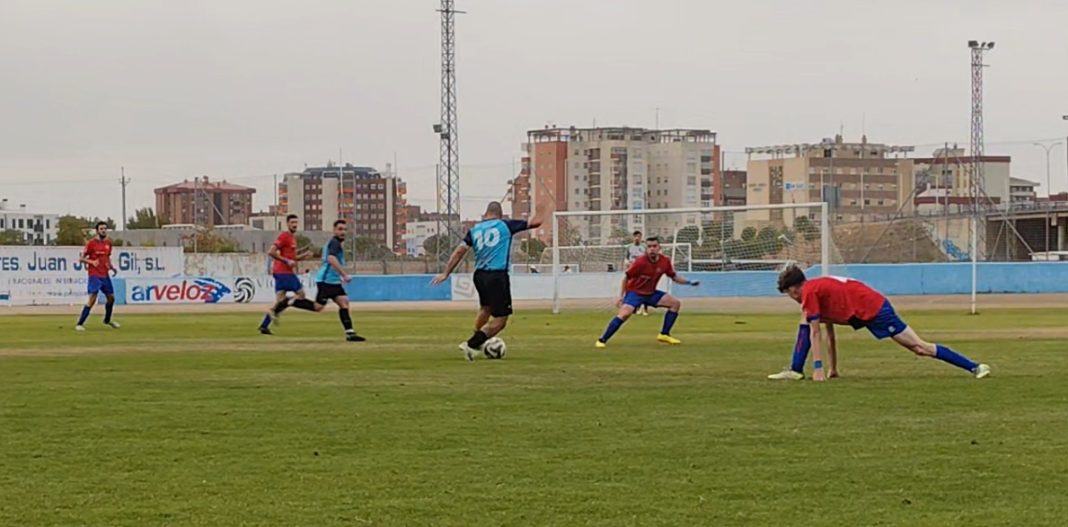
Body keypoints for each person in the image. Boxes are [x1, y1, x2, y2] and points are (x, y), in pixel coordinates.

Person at [769, 265, 991, 381]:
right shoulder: (816, 289)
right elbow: (828, 331)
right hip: (865, 307)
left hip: (874, 309)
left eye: (788, 292)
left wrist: (817, 369)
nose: (791, 297)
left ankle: (974, 366)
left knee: (920, 347)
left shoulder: (808, 291)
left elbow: (815, 334)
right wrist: (832, 369)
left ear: (795, 287)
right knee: (806, 319)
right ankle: (795, 369)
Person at [431, 202, 544, 360]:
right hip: (497, 275)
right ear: (500, 214)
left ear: (486, 214)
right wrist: (541, 209)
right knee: (501, 320)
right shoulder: (505, 225)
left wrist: (445, 273)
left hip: (479, 275)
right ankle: (471, 344)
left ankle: (478, 339)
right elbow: (536, 222)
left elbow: (458, 252)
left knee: (486, 308)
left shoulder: (475, 230)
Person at [268, 219, 365, 342]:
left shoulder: (336, 243)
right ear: (334, 230)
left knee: (344, 302)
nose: (343, 232)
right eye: (340, 229)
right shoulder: (334, 243)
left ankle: (350, 333)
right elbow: (331, 259)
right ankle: (289, 301)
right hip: (326, 281)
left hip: (333, 281)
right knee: (318, 307)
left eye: (345, 230)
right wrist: (344, 275)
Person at [595, 236, 700, 348]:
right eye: (649, 247)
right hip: (635, 293)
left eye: (654, 246)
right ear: (646, 249)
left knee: (675, 303)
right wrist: (621, 297)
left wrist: (688, 282)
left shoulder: (665, 261)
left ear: (659, 247)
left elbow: (674, 277)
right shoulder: (640, 262)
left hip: (650, 293)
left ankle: (664, 334)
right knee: (625, 314)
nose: (652, 249)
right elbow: (626, 277)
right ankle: (602, 340)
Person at [259, 214, 313, 335]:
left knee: (279, 303)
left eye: (296, 222)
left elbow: (292, 258)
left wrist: (304, 256)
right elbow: (271, 252)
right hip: (284, 272)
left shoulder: (293, 239)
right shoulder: (284, 236)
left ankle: (264, 326)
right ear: (287, 223)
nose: (294, 224)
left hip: (280, 272)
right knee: (301, 295)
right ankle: (289, 302)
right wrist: (286, 261)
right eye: (292, 222)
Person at [75, 221, 120, 331]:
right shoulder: (91, 243)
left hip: (105, 274)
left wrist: (111, 267)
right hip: (94, 274)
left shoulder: (108, 243)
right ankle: (80, 323)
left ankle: (107, 320)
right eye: (101, 229)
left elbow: (107, 258)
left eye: (105, 228)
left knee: (111, 298)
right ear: (97, 231)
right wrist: (91, 262)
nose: (104, 230)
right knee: (92, 299)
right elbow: (81, 259)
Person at [626, 230, 649, 315]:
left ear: (641, 238)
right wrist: (627, 263)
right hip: (633, 270)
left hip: (642, 270)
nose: (637, 238)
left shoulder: (644, 247)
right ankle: (635, 308)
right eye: (635, 236)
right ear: (633, 237)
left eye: (639, 236)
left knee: (645, 289)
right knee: (633, 289)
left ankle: (645, 309)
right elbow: (627, 258)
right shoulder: (629, 247)